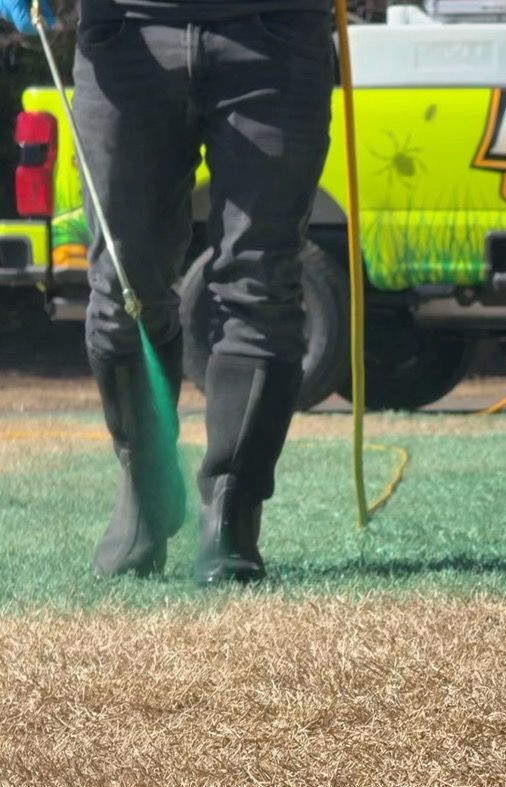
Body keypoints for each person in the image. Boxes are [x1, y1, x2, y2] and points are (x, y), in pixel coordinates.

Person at [1, 0, 334, 583]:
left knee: (260, 284)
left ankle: (232, 510)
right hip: (125, 29)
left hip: (277, 32)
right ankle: (146, 493)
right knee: (121, 289)